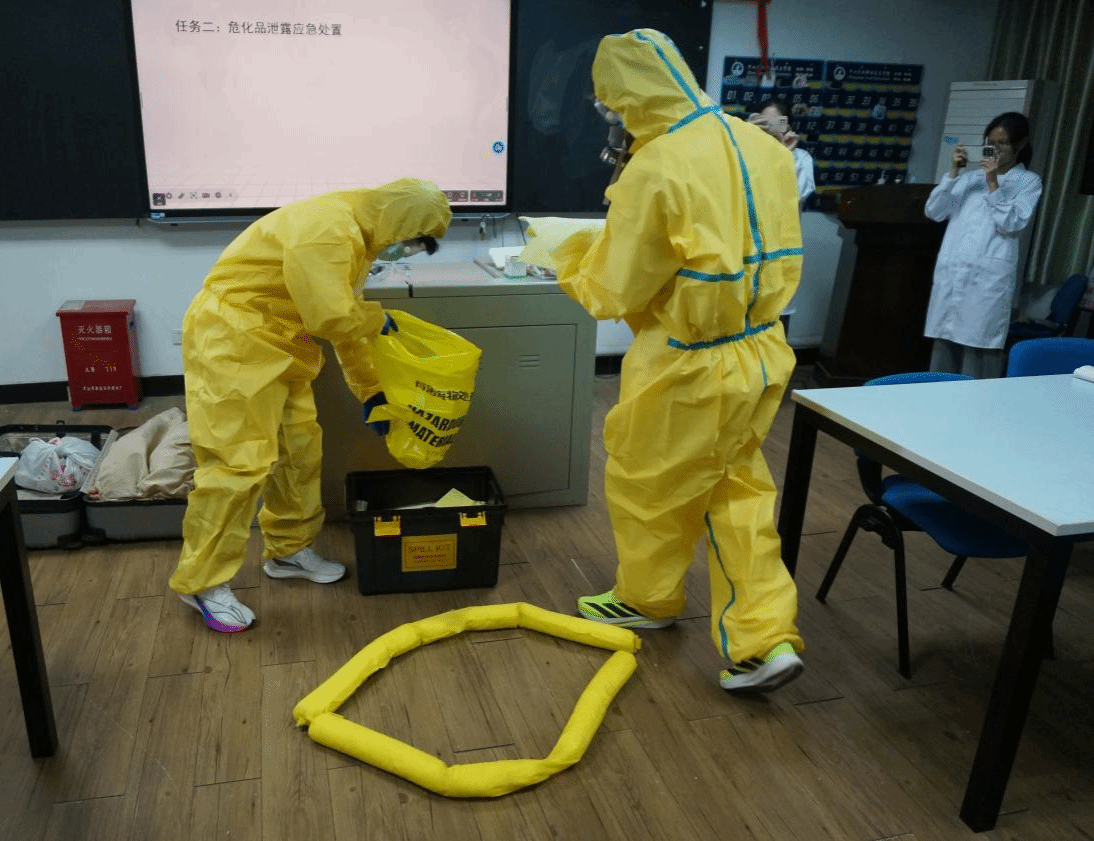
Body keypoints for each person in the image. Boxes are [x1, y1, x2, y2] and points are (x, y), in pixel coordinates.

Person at [522, 29, 805, 693]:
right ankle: (767, 637)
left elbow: (613, 291)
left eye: (611, 107)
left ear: (626, 98)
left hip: (689, 362)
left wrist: (559, 254)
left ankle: (651, 601)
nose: (613, 123)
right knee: (737, 487)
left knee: (648, 484)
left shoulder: (654, 168)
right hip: (762, 350)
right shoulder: (762, 146)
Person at [170, 178, 452, 632]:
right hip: (233, 342)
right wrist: (378, 319)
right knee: (237, 466)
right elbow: (334, 318)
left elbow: (346, 324)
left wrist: (371, 391)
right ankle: (201, 582)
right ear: (400, 221)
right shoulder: (326, 228)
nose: (405, 250)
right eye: (413, 241)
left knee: (298, 453)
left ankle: (287, 551)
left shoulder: (358, 241)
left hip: (284, 347)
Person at [924, 111, 1043, 378]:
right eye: (991, 143)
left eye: (1003, 143)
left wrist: (993, 184)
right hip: (953, 276)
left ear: (1020, 144)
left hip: (986, 284)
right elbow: (934, 211)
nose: (995, 150)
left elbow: (1012, 223)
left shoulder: (1028, 182)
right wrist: (953, 173)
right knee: (944, 351)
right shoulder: (969, 179)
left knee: (978, 352)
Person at [748, 98, 816, 204]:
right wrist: (745, 136)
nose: (770, 130)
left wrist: (785, 156)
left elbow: (796, 197)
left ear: (788, 127)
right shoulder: (747, 154)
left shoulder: (801, 158)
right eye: (764, 124)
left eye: (776, 123)